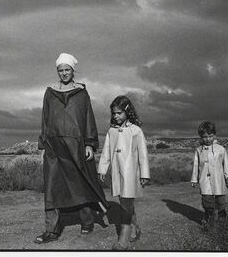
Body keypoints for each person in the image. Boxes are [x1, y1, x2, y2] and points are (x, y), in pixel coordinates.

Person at [35, 53, 109, 244]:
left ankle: (87, 221)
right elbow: (45, 118)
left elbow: (88, 118)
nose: (64, 73)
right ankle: (51, 230)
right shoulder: (49, 92)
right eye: (61, 70)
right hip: (54, 147)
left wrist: (90, 143)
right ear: (57, 71)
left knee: (80, 183)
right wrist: (43, 144)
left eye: (67, 70)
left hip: (76, 146)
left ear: (73, 70)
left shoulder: (82, 93)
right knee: (52, 187)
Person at [98, 95, 150, 250]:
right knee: (124, 201)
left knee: (126, 204)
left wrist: (144, 174)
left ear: (127, 112)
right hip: (117, 172)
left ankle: (124, 234)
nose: (116, 116)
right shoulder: (111, 132)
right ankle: (135, 227)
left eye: (119, 113)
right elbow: (106, 151)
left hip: (131, 172)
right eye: (114, 113)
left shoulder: (136, 131)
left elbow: (143, 153)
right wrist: (102, 168)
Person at [191, 121, 228, 225]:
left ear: (214, 135)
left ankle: (222, 218)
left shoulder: (220, 149)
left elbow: (226, 164)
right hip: (204, 179)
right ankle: (209, 219)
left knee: (220, 199)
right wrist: (194, 179)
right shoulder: (199, 150)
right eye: (205, 137)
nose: (208, 139)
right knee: (207, 199)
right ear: (201, 137)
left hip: (219, 179)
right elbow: (196, 165)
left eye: (210, 136)